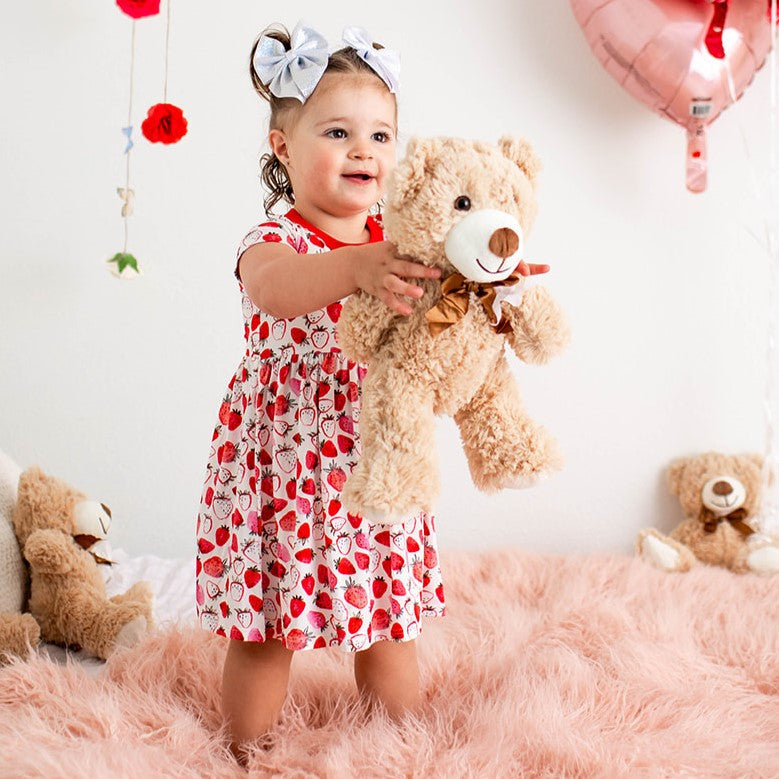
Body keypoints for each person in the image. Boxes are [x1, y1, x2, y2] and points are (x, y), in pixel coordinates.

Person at [195, 20, 547, 762]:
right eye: (338, 132)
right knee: (265, 628)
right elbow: (276, 290)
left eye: (381, 136)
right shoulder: (275, 241)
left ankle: (396, 744)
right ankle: (245, 751)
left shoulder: (407, 239)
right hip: (284, 466)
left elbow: (450, 308)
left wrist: (493, 282)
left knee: (390, 620)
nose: (364, 151)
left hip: (377, 454)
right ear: (283, 147)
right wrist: (355, 266)